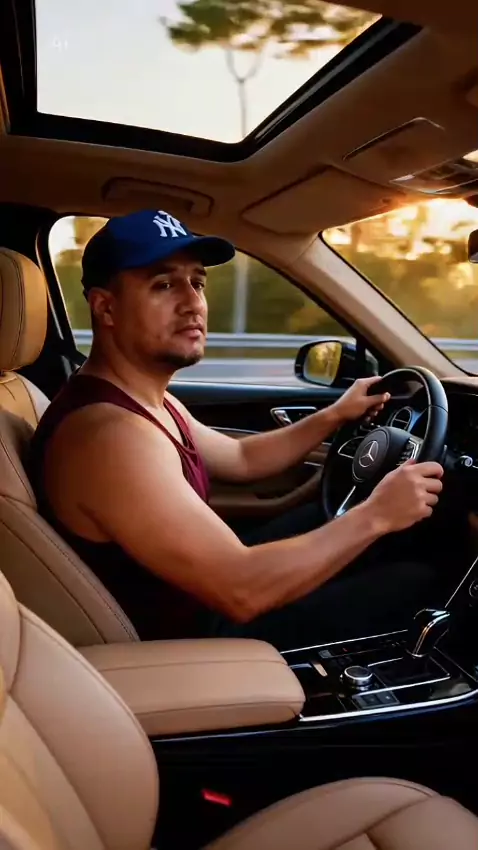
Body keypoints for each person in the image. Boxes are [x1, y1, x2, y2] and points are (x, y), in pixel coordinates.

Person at [29, 210, 444, 649]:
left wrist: (335, 415)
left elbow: (242, 459)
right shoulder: (109, 437)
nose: (193, 303)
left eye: (198, 283)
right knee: (419, 580)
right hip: (193, 639)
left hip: (200, 597)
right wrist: (377, 515)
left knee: (336, 521)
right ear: (106, 307)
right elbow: (241, 590)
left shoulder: (147, 400)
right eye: (164, 285)